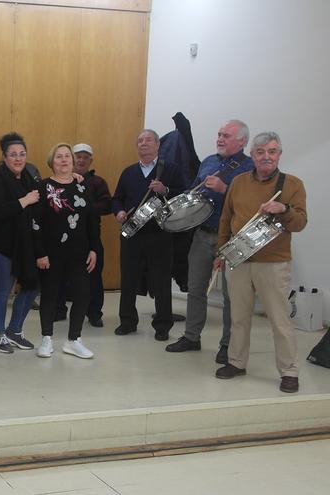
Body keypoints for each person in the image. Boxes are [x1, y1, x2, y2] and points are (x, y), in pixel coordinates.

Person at [214, 132, 307, 393]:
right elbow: (226, 218)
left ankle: (289, 371)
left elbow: (300, 222)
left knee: (279, 319)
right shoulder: (238, 181)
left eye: (272, 151)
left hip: (273, 263)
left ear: (279, 154)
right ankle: (236, 362)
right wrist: (221, 253)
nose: (266, 156)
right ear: (252, 155)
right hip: (238, 261)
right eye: (261, 152)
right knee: (239, 317)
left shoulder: (293, 184)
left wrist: (284, 210)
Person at [166, 120, 254, 364]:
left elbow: (250, 206)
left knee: (231, 296)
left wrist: (225, 188)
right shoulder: (208, 161)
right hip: (202, 235)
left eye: (226, 135)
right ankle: (192, 337)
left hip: (234, 238)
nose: (220, 138)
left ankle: (227, 345)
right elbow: (193, 190)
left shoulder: (249, 167)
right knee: (195, 289)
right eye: (219, 134)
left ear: (242, 141)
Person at [112, 129, 186, 341]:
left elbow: (183, 195)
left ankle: (162, 325)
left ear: (157, 145)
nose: (143, 144)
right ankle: (127, 321)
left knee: (161, 280)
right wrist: (119, 211)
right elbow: (117, 198)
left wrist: (165, 190)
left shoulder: (170, 169)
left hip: (160, 234)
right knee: (128, 279)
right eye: (140, 141)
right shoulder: (128, 172)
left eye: (148, 140)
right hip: (132, 233)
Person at [33, 144, 99, 359]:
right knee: (50, 295)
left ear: (73, 161)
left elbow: (91, 221)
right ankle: (46, 339)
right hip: (51, 254)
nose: (64, 160)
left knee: (82, 294)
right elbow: (36, 223)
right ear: (52, 162)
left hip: (79, 253)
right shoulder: (43, 187)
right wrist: (40, 253)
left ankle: (74, 340)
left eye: (67, 156)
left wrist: (94, 249)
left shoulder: (83, 187)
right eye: (59, 157)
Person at [0, 132, 40, 353]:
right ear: (5, 157)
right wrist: (24, 201)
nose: (18, 158)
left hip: (26, 246)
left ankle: (14, 330)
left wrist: (73, 175)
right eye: (13, 154)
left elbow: (45, 193)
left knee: (31, 287)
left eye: (22, 154)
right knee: (2, 290)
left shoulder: (29, 176)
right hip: (3, 246)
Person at [54, 143, 111, 327]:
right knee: (60, 276)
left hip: (90, 239)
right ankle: (59, 310)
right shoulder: (60, 181)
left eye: (85, 157)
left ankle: (94, 313)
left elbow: (107, 205)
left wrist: (85, 209)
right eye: (77, 156)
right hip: (64, 239)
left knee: (93, 278)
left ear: (90, 160)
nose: (80, 160)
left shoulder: (98, 182)